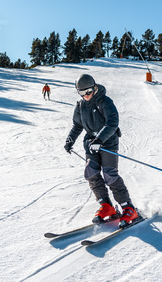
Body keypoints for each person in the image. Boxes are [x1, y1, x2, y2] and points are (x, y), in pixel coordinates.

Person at [64, 74, 139, 227]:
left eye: (88, 91)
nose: (86, 95)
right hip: (91, 144)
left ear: (95, 87)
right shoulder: (80, 106)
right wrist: (70, 139)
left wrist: (100, 139)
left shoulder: (105, 101)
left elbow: (112, 123)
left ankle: (128, 208)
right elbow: (77, 126)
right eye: (81, 93)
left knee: (109, 174)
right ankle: (107, 206)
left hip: (108, 142)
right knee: (90, 172)